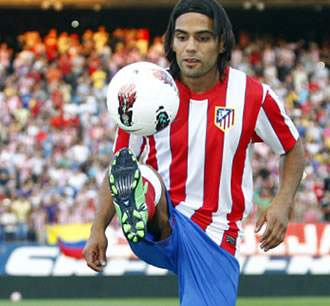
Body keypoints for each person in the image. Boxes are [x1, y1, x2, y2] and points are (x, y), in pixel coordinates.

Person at [82, 0, 305, 305]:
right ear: (171, 42)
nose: (190, 47)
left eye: (202, 38)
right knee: (140, 174)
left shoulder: (252, 95)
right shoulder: (147, 91)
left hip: (215, 234)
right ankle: (149, 216)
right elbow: (120, 164)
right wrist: (98, 229)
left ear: (221, 42)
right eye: (182, 37)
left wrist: (282, 202)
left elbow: (292, 148)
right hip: (160, 216)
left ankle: (148, 210)